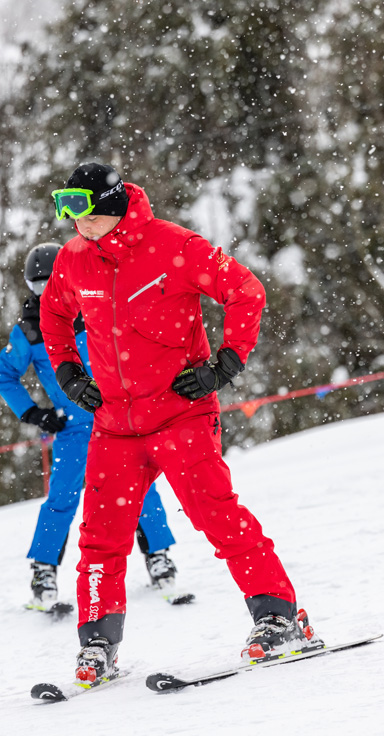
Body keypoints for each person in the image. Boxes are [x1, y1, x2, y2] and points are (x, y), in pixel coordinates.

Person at [39, 162, 322, 685]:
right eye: (61, 206)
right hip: (114, 426)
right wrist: (67, 372)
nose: (68, 218)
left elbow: (246, 291)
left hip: (180, 414)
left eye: (75, 205)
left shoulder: (174, 246)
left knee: (216, 515)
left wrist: (226, 363)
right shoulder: (74, 261)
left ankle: (280, 619)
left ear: (107, 203)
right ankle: (99, 643)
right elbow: (53, 314)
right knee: (100, 538)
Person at [0, 243, 190, 615]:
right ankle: (43, 572)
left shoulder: (99, 308)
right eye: (38, 287)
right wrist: (34, 414)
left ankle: (159, 557)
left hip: (117, 421)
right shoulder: (30, 331)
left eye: (51, 284)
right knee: (62, 499)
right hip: (72, 429)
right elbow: (4, 375)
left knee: (140, 489)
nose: (46, 294)